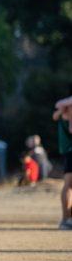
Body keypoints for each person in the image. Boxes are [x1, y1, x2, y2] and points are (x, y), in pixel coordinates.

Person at [54, 95, 72, 230]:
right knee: (69, 185)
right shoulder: (67, 113)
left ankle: (67, 218)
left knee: (68, 185)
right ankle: (66, 219)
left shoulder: (61, 114)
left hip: (68, 152)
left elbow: (55, 113)